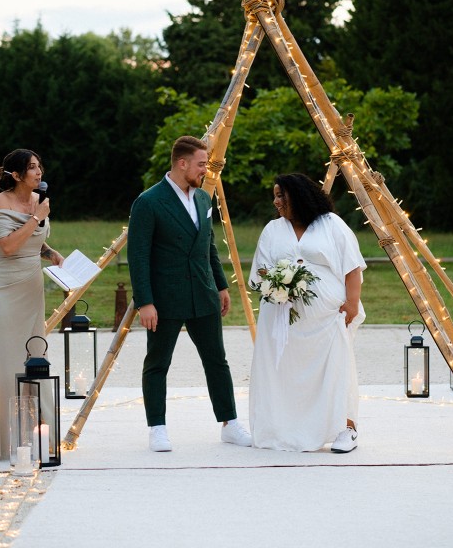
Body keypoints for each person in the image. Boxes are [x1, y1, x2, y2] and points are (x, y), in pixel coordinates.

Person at [127, 135, 251, 452]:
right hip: (164, 298)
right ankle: (157, 428)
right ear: (182, 163)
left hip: (204, 293)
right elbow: (138, 257)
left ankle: (230, 424)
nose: (205, 170)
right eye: (201, 164)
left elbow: (208, 247)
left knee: (217, 361)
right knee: (158, 363)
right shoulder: (148, 202)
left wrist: (221, 286)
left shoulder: (203, 199)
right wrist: (145, 302)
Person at [249, 173, 366, 453]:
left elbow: (352, 267)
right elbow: (261, 271)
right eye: (275, 196)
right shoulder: (272, 230)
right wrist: (276, 283)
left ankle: (346, 428)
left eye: (281, 195)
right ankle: (287, 428)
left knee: (337, 369)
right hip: (281, 319)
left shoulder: (331, 224)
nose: (276, 201)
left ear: (299, 196)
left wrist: (352, 304)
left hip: (326, 319)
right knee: (283, 372)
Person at [0, 149, 63, 460]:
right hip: (3, 287)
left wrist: (50, 253)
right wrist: (37, 217)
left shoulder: (39, 200)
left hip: (31, 286)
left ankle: (35, 433)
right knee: (6, 358)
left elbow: (33, 240)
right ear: (15, 175)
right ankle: (3, 438)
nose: (39, 172)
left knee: (34, 353)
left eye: (39, 166)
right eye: (31, 168)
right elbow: (8, 246)